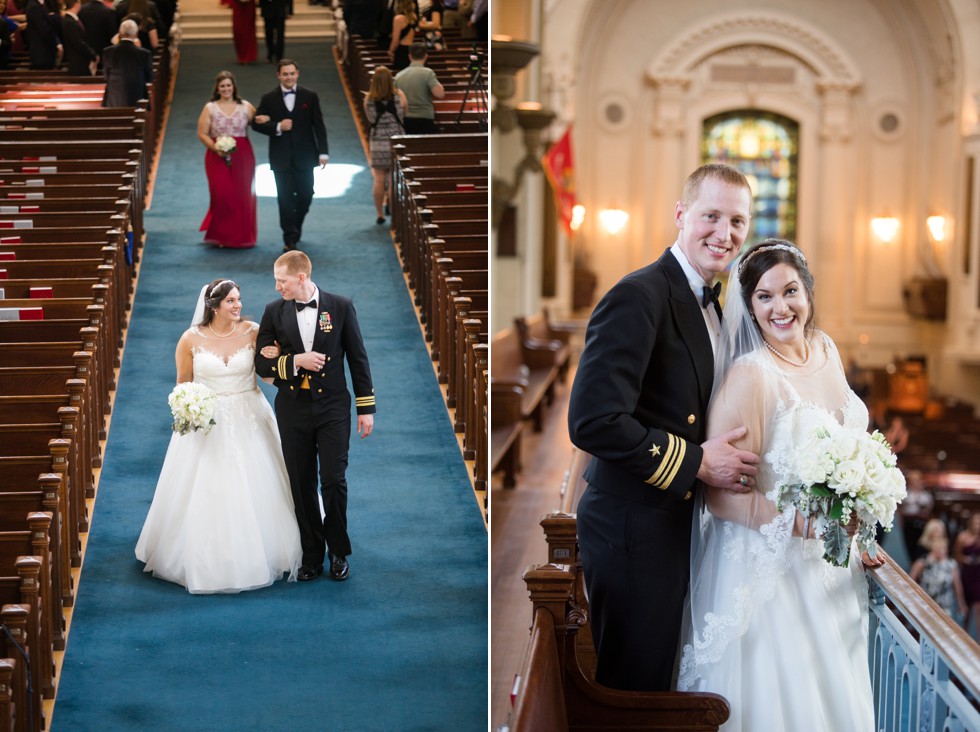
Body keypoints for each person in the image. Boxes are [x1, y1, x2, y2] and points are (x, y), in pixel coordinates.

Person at [676, 239, 888, 731]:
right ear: (749, 307)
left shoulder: (827, 350)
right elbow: (721, 497)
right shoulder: (752, 376)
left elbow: (849, 451)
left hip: (833, 574)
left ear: (808, 292)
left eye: (790, 291)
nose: (781, 307)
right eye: (764, 297)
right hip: (772, 578)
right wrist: (801, 525)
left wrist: (862, 527)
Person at [567, 163, 760, 692]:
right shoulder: (639, 296)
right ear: (681, 215)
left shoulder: (716, 303)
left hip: (670, 522)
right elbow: (592, 421)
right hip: (633, 527)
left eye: (738, 221)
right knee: (636, 688)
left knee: (661, 681)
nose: (725, 234)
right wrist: (698, 462)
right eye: (711, 216)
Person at [135, 278, 303, 594]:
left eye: (238, 299)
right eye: (231, 301)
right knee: (208, 484)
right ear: (214, 306)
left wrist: (275, 355)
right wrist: (189, 406)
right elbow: (183, 383)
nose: (238, 305)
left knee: (260, 480)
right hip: (208, 420)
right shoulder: (190, 339)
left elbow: (267, 374)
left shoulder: (253, 331)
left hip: (250, 412)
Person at [254, 251, 376, 583]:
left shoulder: (340, 306)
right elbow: (261, 364)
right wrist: (296, 362)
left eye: (282, 280)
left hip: (334, 406)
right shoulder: (273, 312)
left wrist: (366, 409)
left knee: (334, 479)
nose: (277, 286)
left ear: (302, 277)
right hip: (293, 407)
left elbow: (358, 359)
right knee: (301, 480)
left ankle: (338, 552)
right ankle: (311, 555)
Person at [251, 59, 329, 252]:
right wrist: (277, 126)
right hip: (280, 158)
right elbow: (256, 123)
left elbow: (318, 125)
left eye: (292, 73)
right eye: (285, 74)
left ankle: (296, 225)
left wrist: (323, 152)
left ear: (297, 74)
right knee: (284, 199)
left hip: (306, 155)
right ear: (279, 75)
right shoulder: (269, 98)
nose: (289, 77)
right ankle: (289, 238)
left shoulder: (310, 96)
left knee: (306, 194)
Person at [197, 70, 262, 249]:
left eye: (228, 85)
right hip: (216, 156)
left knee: (242, 195)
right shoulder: (210, 107)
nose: (226, 89)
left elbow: (258, 123)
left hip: (243, 156)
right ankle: (221, 236)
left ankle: (242, 237)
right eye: (222, 86)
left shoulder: (245, 106)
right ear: (218, 88)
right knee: (222, 194)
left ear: (233, 87)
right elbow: (202, 133)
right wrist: (216, 148)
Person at [363, 66, 405, 225]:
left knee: (379, 178)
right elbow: (404, 113)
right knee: (393, 178)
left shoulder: (368, 99)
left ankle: (380, 213)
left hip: (378, 140)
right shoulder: (399, 95)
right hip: (396, 140)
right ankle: (394, 215)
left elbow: (370, 119)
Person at [911, 535, 967, 618]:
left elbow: (957, 585)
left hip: (944, 605)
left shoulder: (951, 564)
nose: (941, 551)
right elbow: (910, 579)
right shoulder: (923, 562)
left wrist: (961, 604)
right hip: (925, 602)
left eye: (943, 548)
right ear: (933, 549)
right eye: (938, 548)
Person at [394, 42, 444, 134]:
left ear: (409, 56)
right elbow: (440, 94)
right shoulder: (428, 73)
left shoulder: (399, 76)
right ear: (426, 56)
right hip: (425, 119)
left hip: (405, 119)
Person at [101, 18, 153, 108]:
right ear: (136, 34)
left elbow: (106, 76)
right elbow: (149, 77)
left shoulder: (108, 52)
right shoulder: (144, 53)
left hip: (114, 98)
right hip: (138, 97)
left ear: (120, 33)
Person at [953, 511, 980, 632]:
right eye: (975, 522)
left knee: (978, 606)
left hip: (978, 574)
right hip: (967, 573)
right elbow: (956, 555)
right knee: (967, 608)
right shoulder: (963, 537)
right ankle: (965, 632)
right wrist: (966, 559)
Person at [61, 0, 97, 75]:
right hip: (77, 63)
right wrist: (92, 54)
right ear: (76, 4)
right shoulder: (69, 22)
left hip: (80, 61)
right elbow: (78, 42)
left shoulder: (72, 20)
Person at [78, 0, 117, 68]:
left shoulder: (81, 10)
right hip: (104, 55)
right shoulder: (109, 12)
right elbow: (113, 37)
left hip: (85, 54)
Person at [24, 0, 61, 69]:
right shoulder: (34, 6)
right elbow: (44, 30)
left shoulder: (38, 5)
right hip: (42, 54)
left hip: (44, 53)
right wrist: (56, 44)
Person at [387, 0, 415, 71]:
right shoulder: (414, 17)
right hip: (411, 51)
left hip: (401, 52)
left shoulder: (398, 18)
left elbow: (395, 40)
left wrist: (390, 51)